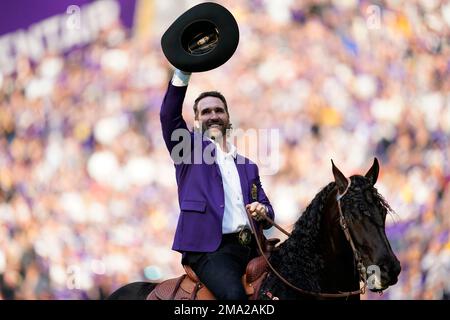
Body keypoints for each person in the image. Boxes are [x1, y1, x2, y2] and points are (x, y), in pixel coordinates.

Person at [160, 68, 275, 300]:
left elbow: (268, 208)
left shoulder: (248, 166)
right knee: (235, 299)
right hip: (210, 250)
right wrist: (183, 70)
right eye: (206, 112)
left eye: (219, 110)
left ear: (228, 117)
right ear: (196, 120)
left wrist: (263, 211)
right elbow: (168, 114)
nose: (213, 115)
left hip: (251, 248)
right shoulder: (187, 150)